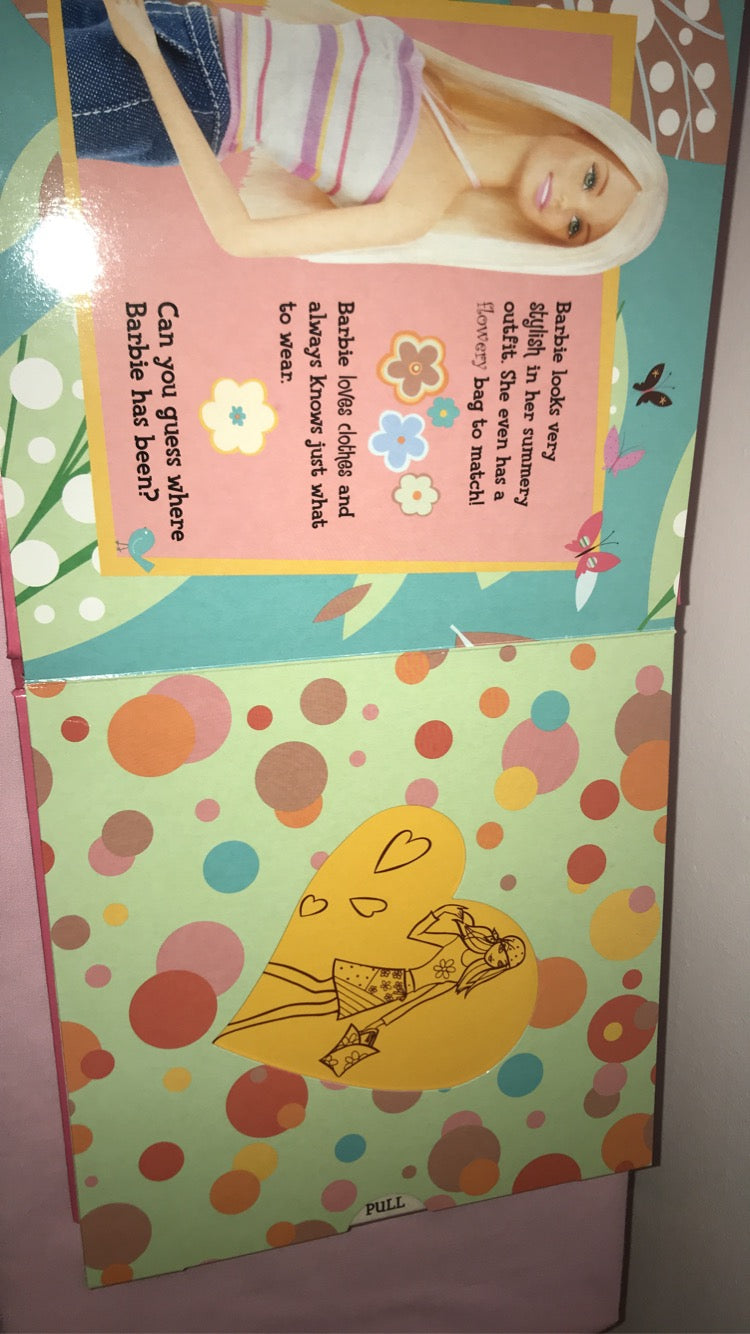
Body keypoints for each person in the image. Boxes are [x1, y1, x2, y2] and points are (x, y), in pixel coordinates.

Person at [60, 0, 668, 272]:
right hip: (176, 19)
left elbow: (238, 237)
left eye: (576, 228)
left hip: (177, 92)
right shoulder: (434, 78)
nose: (566, 205)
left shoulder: (416, 210)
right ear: (582, 131)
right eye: (592, 179)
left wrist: (150, 56)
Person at [216, 903, 527, 1068]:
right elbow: (418, 934)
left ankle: (249, 1016)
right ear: (497, 942)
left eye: (502, 964)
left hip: (392, 991)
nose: (496, 960)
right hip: (389, 979)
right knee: (315, 994)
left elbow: (416, 1001)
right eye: (501, 952)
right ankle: (256, 1002)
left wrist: (379, 1024)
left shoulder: (462, 978)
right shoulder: (458, 942)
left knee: (316, 996)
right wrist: (441, 914)